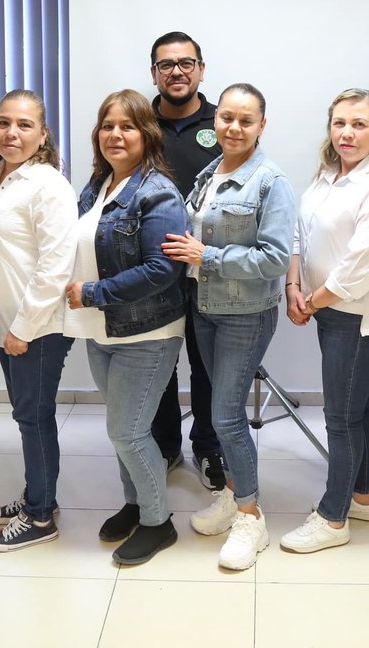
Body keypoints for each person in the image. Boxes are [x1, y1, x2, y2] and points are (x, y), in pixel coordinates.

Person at [162, 83, 296, 570]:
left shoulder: (270, 181)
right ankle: (236, 493)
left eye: (246, 120)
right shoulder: (210, 170)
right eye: (227, 118)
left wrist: (207, 255)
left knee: (225, 418)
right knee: (221, 411)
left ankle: (250, 516)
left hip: (245, 313)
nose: (234, 128)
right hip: (204, 305)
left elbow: (276, 257)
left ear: (263, 126)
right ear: (215, 121)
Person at [280, 89, 369, 553]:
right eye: (339, 123)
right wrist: (294, 286)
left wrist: (311, 301)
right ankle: (363, 496)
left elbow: (362, 263)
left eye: (359, 124)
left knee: (341, 416)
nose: (347, 133)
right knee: (360, 408)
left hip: (358, 314)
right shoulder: (328, 175)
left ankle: (333, 518)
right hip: (325, 306)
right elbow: (300, 231)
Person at [65, 89, 189, 565]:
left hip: (148, 333)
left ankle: (159, 523)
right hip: (105, 331)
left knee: (128, 431)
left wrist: (93, 293)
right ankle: (136, 505)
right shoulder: (99, 186)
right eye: (107, 126)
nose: (115, 135)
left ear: (147, 134)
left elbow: (163, 270)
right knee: (121, 429)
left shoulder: (158, 192)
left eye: (127, 127)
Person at [0, 90, 78, 552]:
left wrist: (22, 328)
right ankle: (39, 496)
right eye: (3, 123)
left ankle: (40, 519)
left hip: (37, 328)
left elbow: (55, 266)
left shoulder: (49, 185)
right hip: (7, 325)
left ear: (43, 135)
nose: (11, 133)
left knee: (33, 418)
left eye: (23, 125)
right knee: (27, 416)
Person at [146, 31, 225, 489]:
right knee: (157, 360)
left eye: (186, 63)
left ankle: (209, 446)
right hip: (151, 267)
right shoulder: (138, 121)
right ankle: (164, 443)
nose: (177, 71)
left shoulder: (224, 122)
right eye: (166, 64)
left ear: (201, 69)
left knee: (206, 362)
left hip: (206, 267)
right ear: (153, 72)